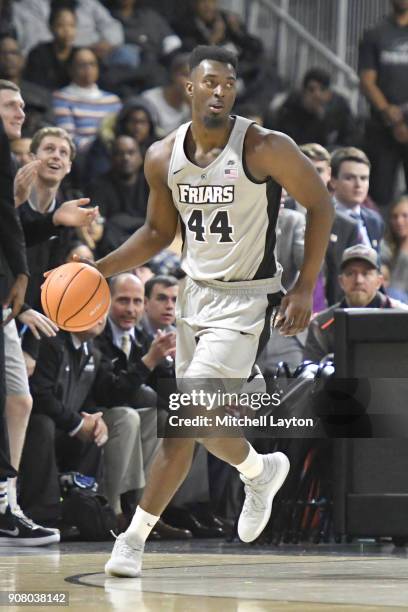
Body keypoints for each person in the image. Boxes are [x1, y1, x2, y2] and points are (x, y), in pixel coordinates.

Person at [84, 45, 334, 577]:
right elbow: (157, 232)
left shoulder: (264, 146)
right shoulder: (161, 155)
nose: (219, 90)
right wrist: (97, 269)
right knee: (184, 427)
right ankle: (258, 470)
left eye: (228, 82)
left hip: (249, 299)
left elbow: (320, 203)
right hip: (195, 296)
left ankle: (131, 539)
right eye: (209, 82)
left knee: (189, 407)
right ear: (188, 87)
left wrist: (304, 287)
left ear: (234, 90)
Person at [304, 244, 408, 362]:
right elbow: (311, 373)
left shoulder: (403, 317)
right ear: (341, 281)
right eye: (350, 273)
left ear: (379, 281)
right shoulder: (321, 325)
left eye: (366, 273)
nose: (358, 280)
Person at [359, 0, 408, 208]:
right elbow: (367, 81)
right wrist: (392, 118)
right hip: (382, 128)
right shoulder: (375, 34)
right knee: (379, 196)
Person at [266, 68, 357, 148]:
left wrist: (323, 119)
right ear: (303, 91)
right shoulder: (291, 106)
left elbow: (348, 140)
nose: (317, 95)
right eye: (311, 89)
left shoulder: (339, 107)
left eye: (322, 89)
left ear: (329, 93)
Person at [53, 47, 121, 150]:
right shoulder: (62, 97)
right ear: (70, 69)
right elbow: (67, 137)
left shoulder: (113, 100)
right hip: (82, 157)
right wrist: (98, 147)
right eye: (82, 65)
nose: (88, 69)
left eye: (92, 64)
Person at [330, 147, 384, 252]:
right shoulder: (323, 218)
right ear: (333, 181)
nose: (358, 185)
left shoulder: (375, 221)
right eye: (349, 178)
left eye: (363, 178)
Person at [24, 5, 77, 91]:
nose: (67, 30)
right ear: (51, 27)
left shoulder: (80, 54)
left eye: (71, 25)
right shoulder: (38, 54)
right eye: (61, 25)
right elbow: (33, 87)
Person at [381, 194, 408, 296]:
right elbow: (396, 285)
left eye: (405, 216)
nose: (399, 221)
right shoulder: (385, 246)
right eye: (395, 217)